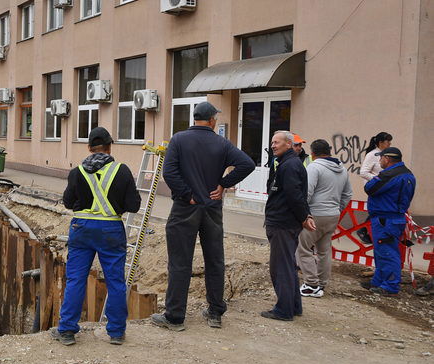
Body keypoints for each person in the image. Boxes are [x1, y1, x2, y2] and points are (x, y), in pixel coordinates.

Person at [150, 102, 254, 331]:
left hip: (185, 209)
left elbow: (169, 173)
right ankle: (215, 313)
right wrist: (224, 184)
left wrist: (188, 195)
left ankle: (175, 317)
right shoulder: (221, 143)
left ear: (195, 118)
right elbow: (247, 164)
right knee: (215, 260)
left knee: (180, 262)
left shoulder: (179, 140)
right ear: (212, 120)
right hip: (212, 208)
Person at [55, 127, 141, 346]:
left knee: (76, 279)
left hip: (81, 228)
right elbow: (134, 205)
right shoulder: (121, 171)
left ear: (89, 148)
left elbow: (68, 202)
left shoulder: (77, 172)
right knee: (115, 281)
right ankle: (116, 332)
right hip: (111, 229)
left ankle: (66, 330)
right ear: (110, 146)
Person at [262, 131, 315, 321]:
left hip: (282, 223)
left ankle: (283, 310)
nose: (273, 146)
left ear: (288, 144)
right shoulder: (287, 163)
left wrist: (304, 217)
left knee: (280, 267)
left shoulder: (290, 165)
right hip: (285, 222)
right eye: (272, 142)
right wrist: (304, 215)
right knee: (288, 265)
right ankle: (293, 306)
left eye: (277, 142)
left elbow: (295, 196)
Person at [297, 139, 353, 298]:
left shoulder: (314, 167)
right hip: (332, 214)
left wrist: (304, 214)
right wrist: (338, 209)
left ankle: (311, 284)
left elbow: (306, 192)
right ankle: (321, 283)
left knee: (303, 248)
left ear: (312, 153)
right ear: (328, 151)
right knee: (324, 250)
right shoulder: (342, 169)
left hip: (315, 214)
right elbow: (348, 194)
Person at [362, 147, 415, 295]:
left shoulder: (388, 175)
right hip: (395, 218)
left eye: (381, 158)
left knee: (387, 253)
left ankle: (390, 286)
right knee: (382, 251)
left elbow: (370, 188)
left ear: (387, 158)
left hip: (385, 219)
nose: (380, 161)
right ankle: (378, 281)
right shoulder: (408, 174)